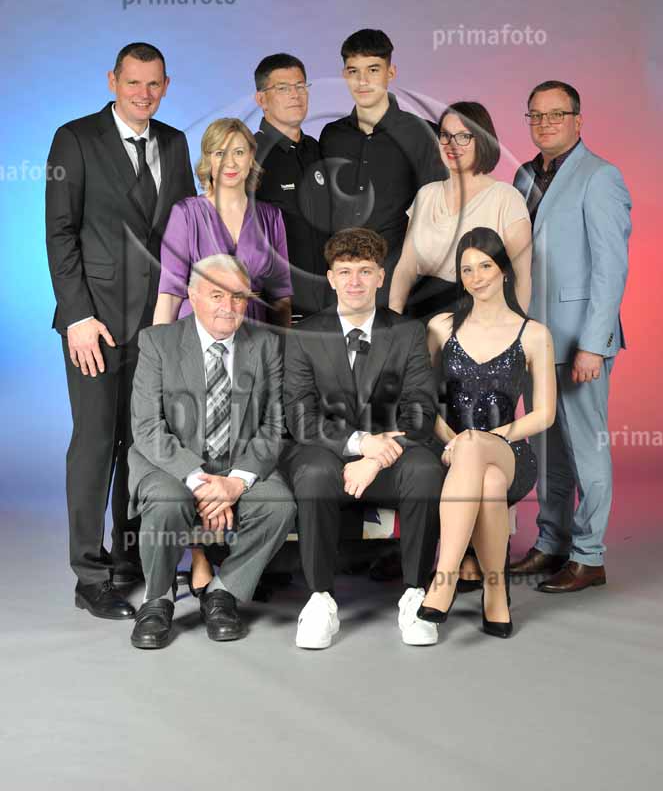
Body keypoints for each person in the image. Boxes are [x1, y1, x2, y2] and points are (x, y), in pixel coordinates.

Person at [46, 42, 196, 619]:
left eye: (154, 84)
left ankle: (128, 557)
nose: (143, 94)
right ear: (113, 81)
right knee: (94, 443)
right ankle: (90, 575)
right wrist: (77, 316)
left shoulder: (175, 143)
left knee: (142, 443)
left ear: (166, 85)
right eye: (133, 82)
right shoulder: (75, 139)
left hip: (157, 322)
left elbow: (183, 230)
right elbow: (60, 233)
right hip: (97, 322)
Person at [283, 228, 445, 649]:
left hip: (390, 454)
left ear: (380, 277)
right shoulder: (305, 333)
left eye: (365, 271)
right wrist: (359, 444)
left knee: (426, 471)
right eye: (345, 271)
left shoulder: (407, 332)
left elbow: (420, 410)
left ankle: (416, 595)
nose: (354, 281)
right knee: (314, 474)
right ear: (331, 278)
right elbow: (300, 416)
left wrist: (376, 457)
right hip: (328, 453)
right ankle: (320, 599)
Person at [127, 255, 296, 650]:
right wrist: (200, 482)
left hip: (238, 463)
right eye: (217, 295)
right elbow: (148, 427)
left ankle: (223, 592)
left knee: (279, 505)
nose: (229, 306)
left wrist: (236, 483)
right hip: (171, 464)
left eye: (238, 296)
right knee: (167, 502)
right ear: (192, 296)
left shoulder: (266, 344)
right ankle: (157, 599)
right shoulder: (158, 342)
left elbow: (274, 425)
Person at [509, 81, 631, 592]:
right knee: (547, 451)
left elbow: (610, 268)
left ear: (578, 120)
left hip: (579, 341)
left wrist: (594, 345)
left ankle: (589, 556)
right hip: (532, 338)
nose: (545, 123)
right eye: (536, 115)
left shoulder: (600, 177)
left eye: (556, 114)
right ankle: (551, 543)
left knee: (586, 449)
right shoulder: (523, 175)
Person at [418, 227, 556, 637]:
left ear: (504, 271)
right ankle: (496, 592)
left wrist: (483, 440)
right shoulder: (441, 327)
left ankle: (445, 577)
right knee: (489, 482)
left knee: (489, 461)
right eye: (467, 270)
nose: (476, 277)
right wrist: (454, 442)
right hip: (450, 450)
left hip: (510, 451)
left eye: (485, 267)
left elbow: (545, 413)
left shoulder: (533, 334)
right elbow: (421, 400)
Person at [319, 29, 445, 305]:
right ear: (344, 74)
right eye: (353, 71)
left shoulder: (421, 134)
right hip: (340, 286)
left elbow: (434, 213)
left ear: (391, 72)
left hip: (400, 284)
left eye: (373, 70)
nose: (362, 81)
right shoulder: (331, 136)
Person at [389, 101, 532, 319]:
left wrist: (515, 330)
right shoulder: (426, 195)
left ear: (482, 140)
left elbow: (522, 279)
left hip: (480, 320)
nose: (451, 145)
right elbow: (405, 268)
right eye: (445, 136)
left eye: (463, 136)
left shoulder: (506, 198)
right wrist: (393, 319)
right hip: (419, 318)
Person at [154, 117, 293, 327]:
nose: (230, 162)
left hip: (255, 333)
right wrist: (157, 346)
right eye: (220, 153)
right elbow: (170, 294)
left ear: (251, 157)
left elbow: (281, 298)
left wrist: (284, 344)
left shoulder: (271, 217)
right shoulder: (185, 214)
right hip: (197, 332)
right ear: (208, 160)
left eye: (239, 152)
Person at [253, 52, 331, 319]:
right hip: (276, 310)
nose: (295, 95)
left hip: (327, 305)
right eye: (283, 88)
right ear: (261, 99)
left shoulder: (317, 150)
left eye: (300, 86)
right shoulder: (248, 155)